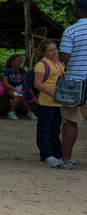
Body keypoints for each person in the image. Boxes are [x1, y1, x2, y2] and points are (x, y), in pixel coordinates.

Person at [57, 0, 87, 170]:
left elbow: (64, 57)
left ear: (79, 10)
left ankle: (67, 159)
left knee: (70, 120)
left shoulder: (71, 31)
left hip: (75, 82)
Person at [31, 40, 65, 168]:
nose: (54, 52)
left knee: (55, 129)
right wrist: (53, 94)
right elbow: (38, 84)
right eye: (50, 50)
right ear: (44, 52)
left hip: (58, 103)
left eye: (55, 49)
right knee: (45, 128)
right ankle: (46, 154)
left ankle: (57, 153)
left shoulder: (60, 63)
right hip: (46, 102)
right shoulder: (41, 64)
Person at [2, 55, 32, 119]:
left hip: (20, 88)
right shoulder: (7, 70)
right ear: (13, 61)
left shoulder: (22, 70)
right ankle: (11, 111)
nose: (20, 62)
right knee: (17, 95)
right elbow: (5, 83)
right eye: (18, 61)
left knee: (27, 95)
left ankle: (29, 112)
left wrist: (24, 89)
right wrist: (15, 89)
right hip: (9, 88)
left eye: (21, 61)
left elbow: (25, 81)